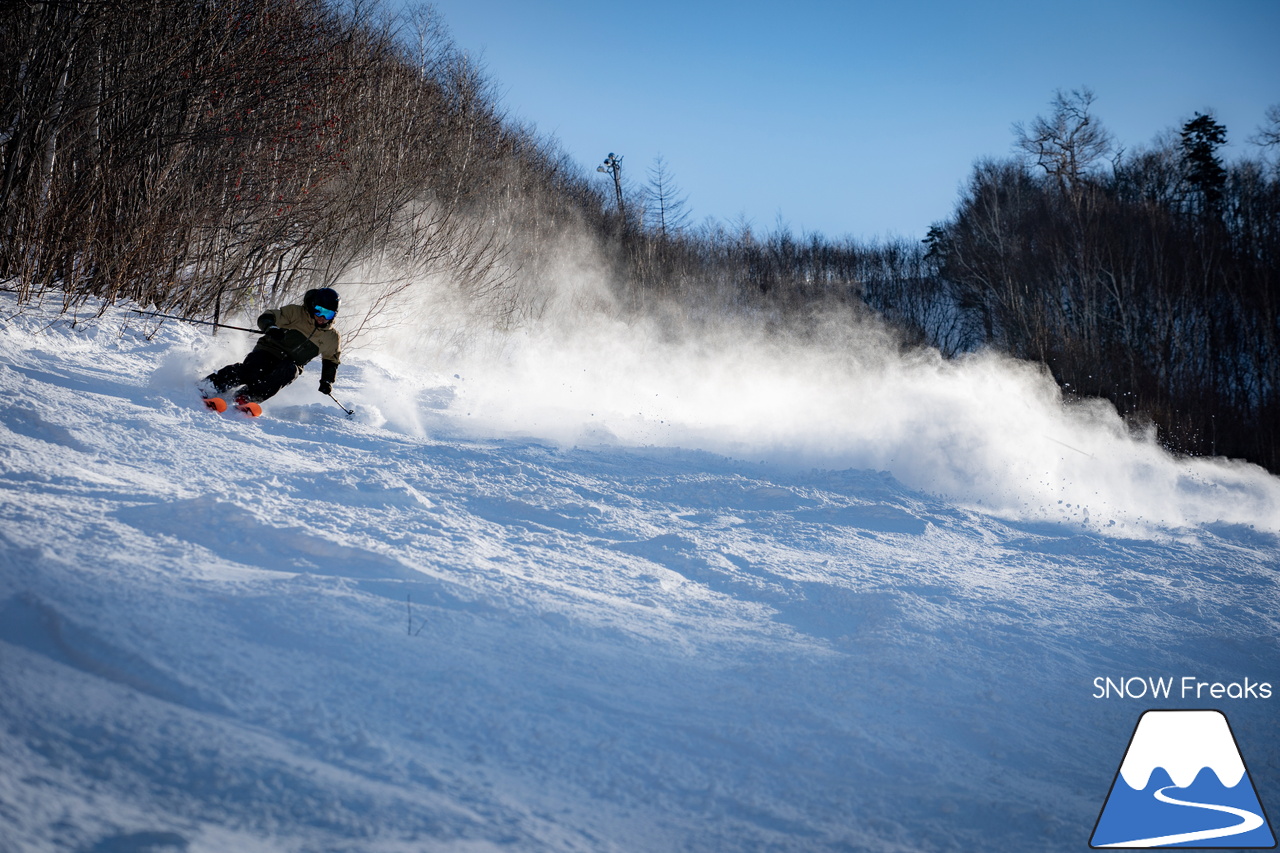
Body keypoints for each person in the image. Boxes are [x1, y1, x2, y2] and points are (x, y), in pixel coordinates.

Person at [202, 287, 342, 405]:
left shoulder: (332, 337)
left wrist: (327, 381)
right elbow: (267, 316)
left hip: (291, 363)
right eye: (319, 310)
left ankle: (248, 397)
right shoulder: (295, 312)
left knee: (287, 372)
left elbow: (331, 360)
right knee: (254, 371)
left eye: (328, 314)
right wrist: (271, 328)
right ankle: (211, 385)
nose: (322, 317)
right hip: (269, 349)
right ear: (312, 305)